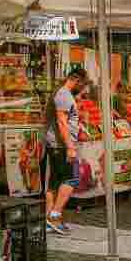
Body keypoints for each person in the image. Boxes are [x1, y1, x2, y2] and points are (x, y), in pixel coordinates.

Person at [43, 67, 87, 236]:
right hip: (61, 145)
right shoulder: (64, 95)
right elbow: (62, 123)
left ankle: (49, 220)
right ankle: (54, 216)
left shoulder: (61, 94)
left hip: (55, 145)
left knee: (55, 182)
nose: (82, 88)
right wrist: (70, 146)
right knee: (71, 179)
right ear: (76, 80)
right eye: (82, 84)